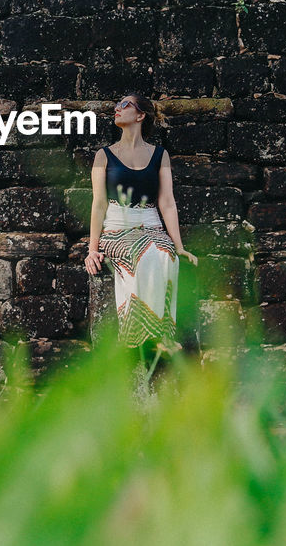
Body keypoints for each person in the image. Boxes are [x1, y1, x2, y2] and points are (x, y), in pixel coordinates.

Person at [84, 93, 198, 390]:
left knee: (166, 256)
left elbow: (168, 202)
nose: (117, 108)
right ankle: (136, 340)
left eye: (124, 105)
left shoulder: (160, 155)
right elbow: (98, 204)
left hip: (151, 225)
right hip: (117, 230)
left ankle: (160, 336)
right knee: (143, 255)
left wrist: (179, 245)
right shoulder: (103, 156)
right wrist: (92, 249)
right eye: (116, 104)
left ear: (140, 116)